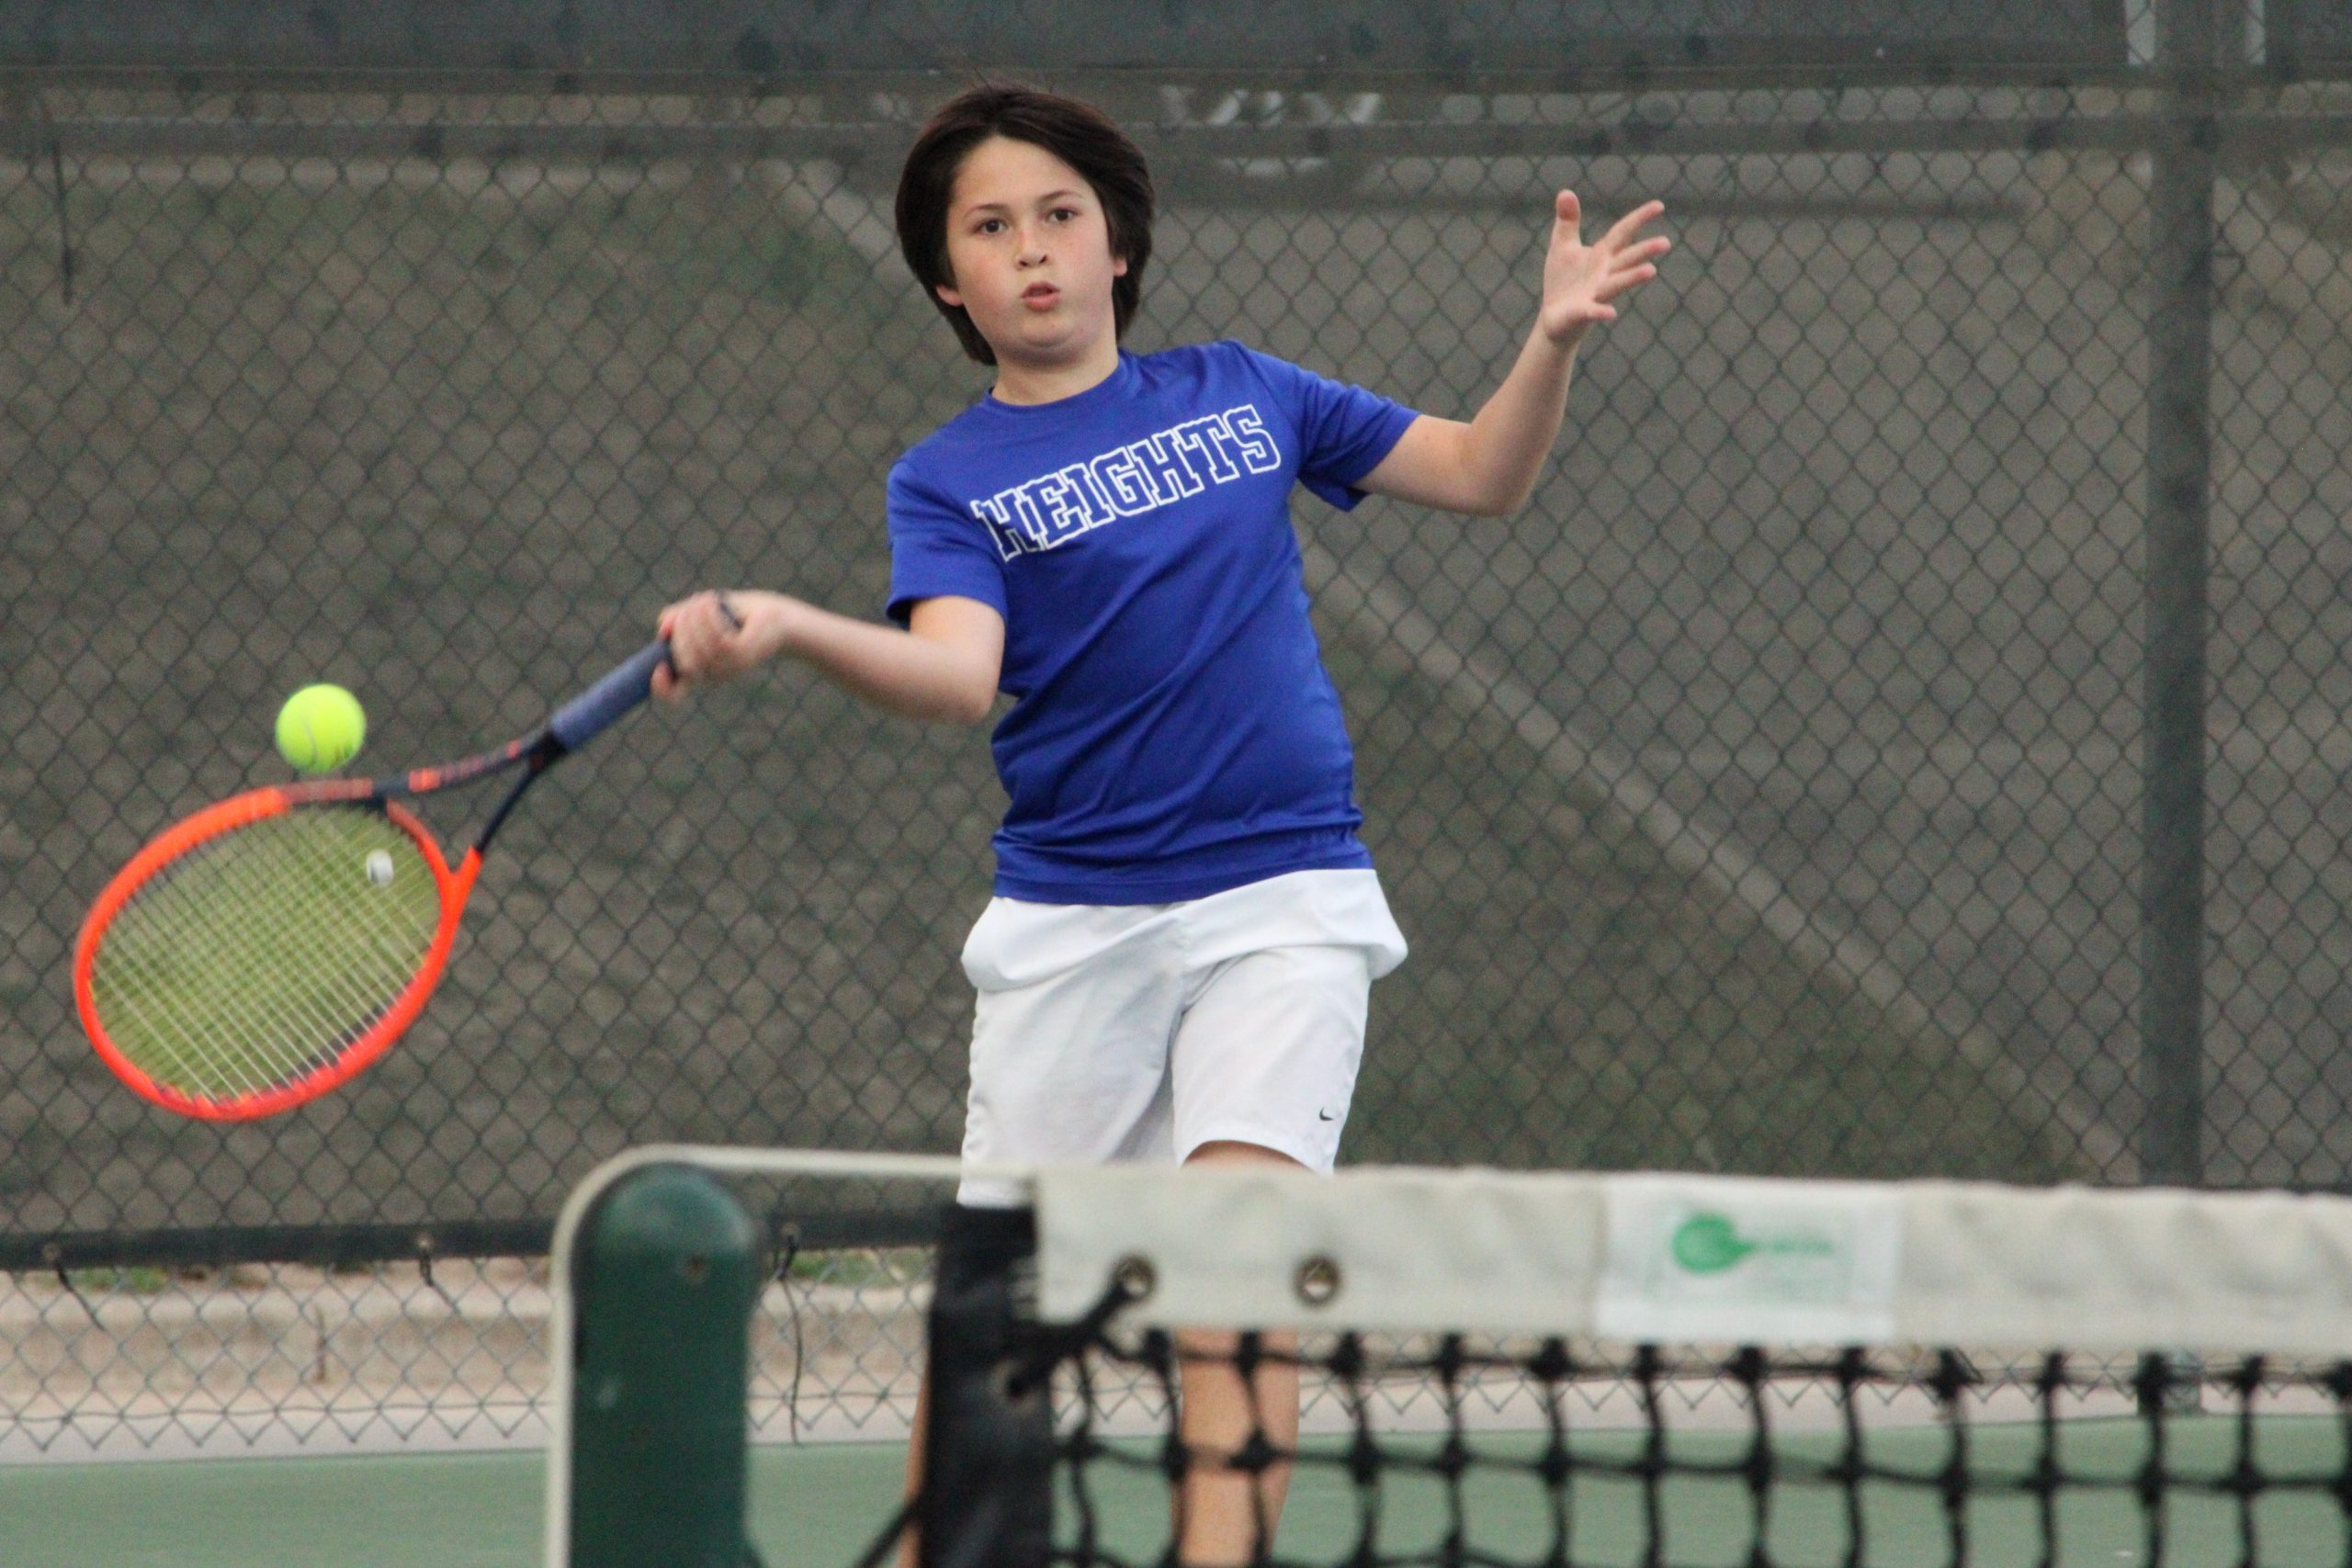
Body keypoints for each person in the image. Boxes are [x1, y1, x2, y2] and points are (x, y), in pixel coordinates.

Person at [653, 82, 1667, 1568]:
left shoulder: (1246, 391)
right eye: (991, 229)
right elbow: (954, 679)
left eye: (1060, 215)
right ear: (950, 281)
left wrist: (1549, 344)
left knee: (1235, 1276)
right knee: (998, 1323)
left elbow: (1478, 473)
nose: (1034, 250)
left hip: (1285, 899)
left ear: (1117, 242)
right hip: (1074, 926)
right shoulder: (947, 478)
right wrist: (796, 627)